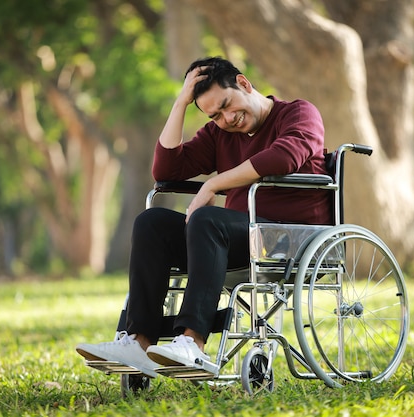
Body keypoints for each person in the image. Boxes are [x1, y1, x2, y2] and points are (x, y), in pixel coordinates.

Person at [76, 56, 331, 378]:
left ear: (243, 83)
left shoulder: (298, 112)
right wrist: (181, 104)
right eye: (215, 115)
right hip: (231, 238)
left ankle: (192, 343)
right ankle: (138, 343)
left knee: (207, 219)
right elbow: (166, 171)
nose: (228, 119)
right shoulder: (218, 133)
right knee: (151, 222)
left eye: (227, 105)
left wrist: (213, 183)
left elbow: (284, 156)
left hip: (288, 239)